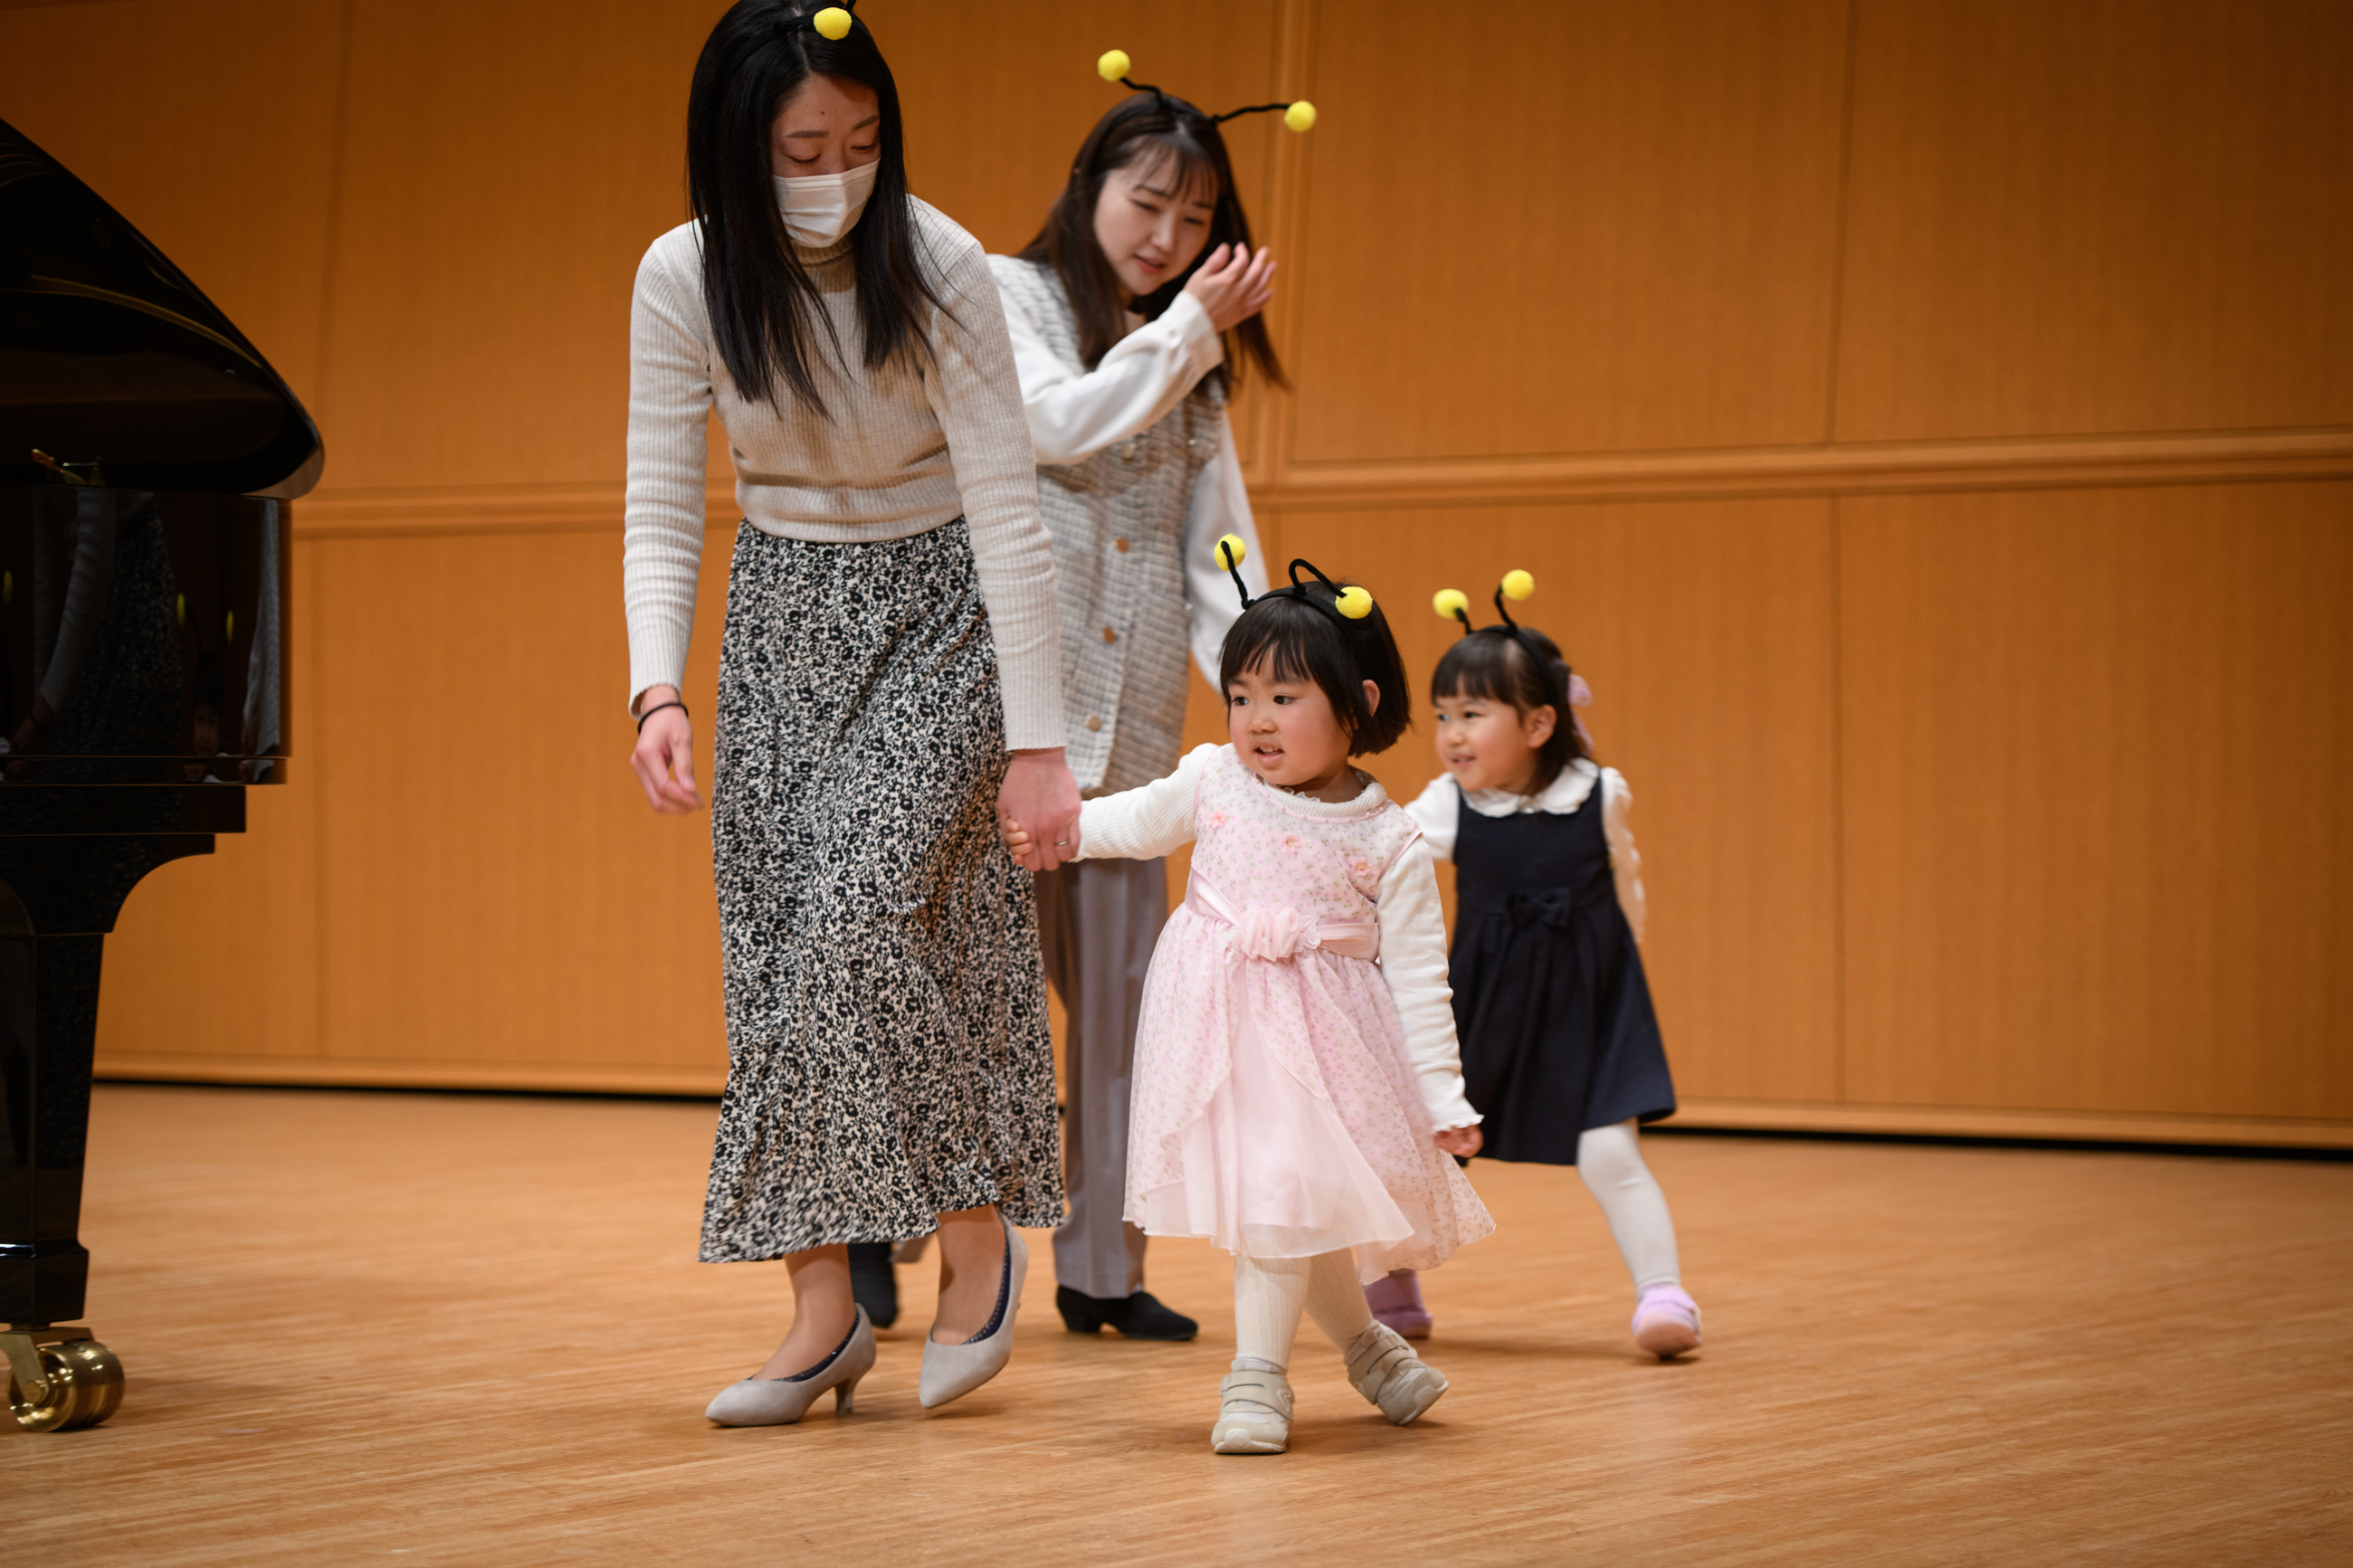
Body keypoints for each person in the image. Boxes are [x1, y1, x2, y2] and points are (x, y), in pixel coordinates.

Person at [623, 0, 1082, 1426]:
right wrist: (657, 680)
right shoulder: (682, 276)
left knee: (859, 916)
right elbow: (659, 492)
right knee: (776, 959)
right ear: (736, 149)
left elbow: (1011, 503)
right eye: (802, 145)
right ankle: (822, 1317)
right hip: (780, 614)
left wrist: (1039, 739)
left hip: (942, 600)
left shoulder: (940, 260)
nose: (836, 171)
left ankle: (977, 1234)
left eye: (863, 139)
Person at [1004, 545, 1495, 1456]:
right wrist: (1054, 831)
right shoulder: (1214, 780)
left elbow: (1423, 978)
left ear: (1359, 704)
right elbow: (1132, 820)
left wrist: (1443, 1098)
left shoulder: (1389, 836)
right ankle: (1356, 1353)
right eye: (1240, 696)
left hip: (1326, 1052)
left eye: (1283, 697)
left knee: (1289, 1202)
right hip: (1220, 1038)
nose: (1254, 720)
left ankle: (1268, 1376)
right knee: (1284, 1203)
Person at [985, 57, 1300, 1342]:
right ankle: (894, 1235)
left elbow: (1216, 546)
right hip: (1003, 731)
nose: (1168, 241)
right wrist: (1188, 329)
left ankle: (1101, 1269)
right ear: (1088, 188)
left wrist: (1274, 689)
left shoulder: (1198, 361)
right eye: (1148, 206)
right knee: (963, 997)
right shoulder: (1006, 299)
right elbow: (1058, 424)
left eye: (1194, 222)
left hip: (1134, 743)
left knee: (1123, 1012)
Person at [1393, 574, 1701, 1360]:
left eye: (1472, 714)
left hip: (1589, 1006)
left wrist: (1621, 973)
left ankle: (1664, 1294)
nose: (1452, 734)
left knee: (1610, 1153)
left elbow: (1627, 885)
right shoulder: (1445, 805)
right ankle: (1392, 1285)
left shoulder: (1598, 794)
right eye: (1442, 716)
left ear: (1538, 721)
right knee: (1421, 1144)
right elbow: (1380, 864)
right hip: (1486, 1002)